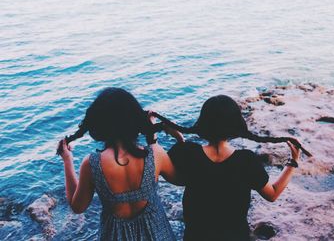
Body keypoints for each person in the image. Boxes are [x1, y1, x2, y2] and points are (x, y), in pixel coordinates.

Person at [149, 95, 311, 241]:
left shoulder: (189, 154)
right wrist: (292, 162)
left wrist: (175, 138)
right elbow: (272, 194)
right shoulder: (246, 160)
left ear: (203, 123)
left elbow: (178, 175)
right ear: (236, 125)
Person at [57, 87, 183, 241]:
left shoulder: (92, 163)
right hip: (158, 234)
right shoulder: (155, 154)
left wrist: (67, 160)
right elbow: (180, 179)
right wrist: (178, 139)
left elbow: (77, 207)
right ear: (135, 120)